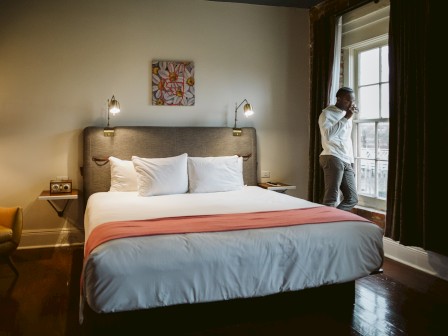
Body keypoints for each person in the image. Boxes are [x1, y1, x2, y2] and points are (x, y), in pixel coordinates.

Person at [318, 86, 358, 211]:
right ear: (339, 99)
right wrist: (346, 117)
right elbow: (328, 136)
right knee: (331, 199)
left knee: (352, 198)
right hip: (332, 156)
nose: (351, 104)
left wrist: (351, 161)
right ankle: (326, 227)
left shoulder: (346, 115)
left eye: (353, 101)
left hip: (345, 159)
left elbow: (346, 140)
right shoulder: (327, 113)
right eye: (348, 100)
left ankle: (333, 219)